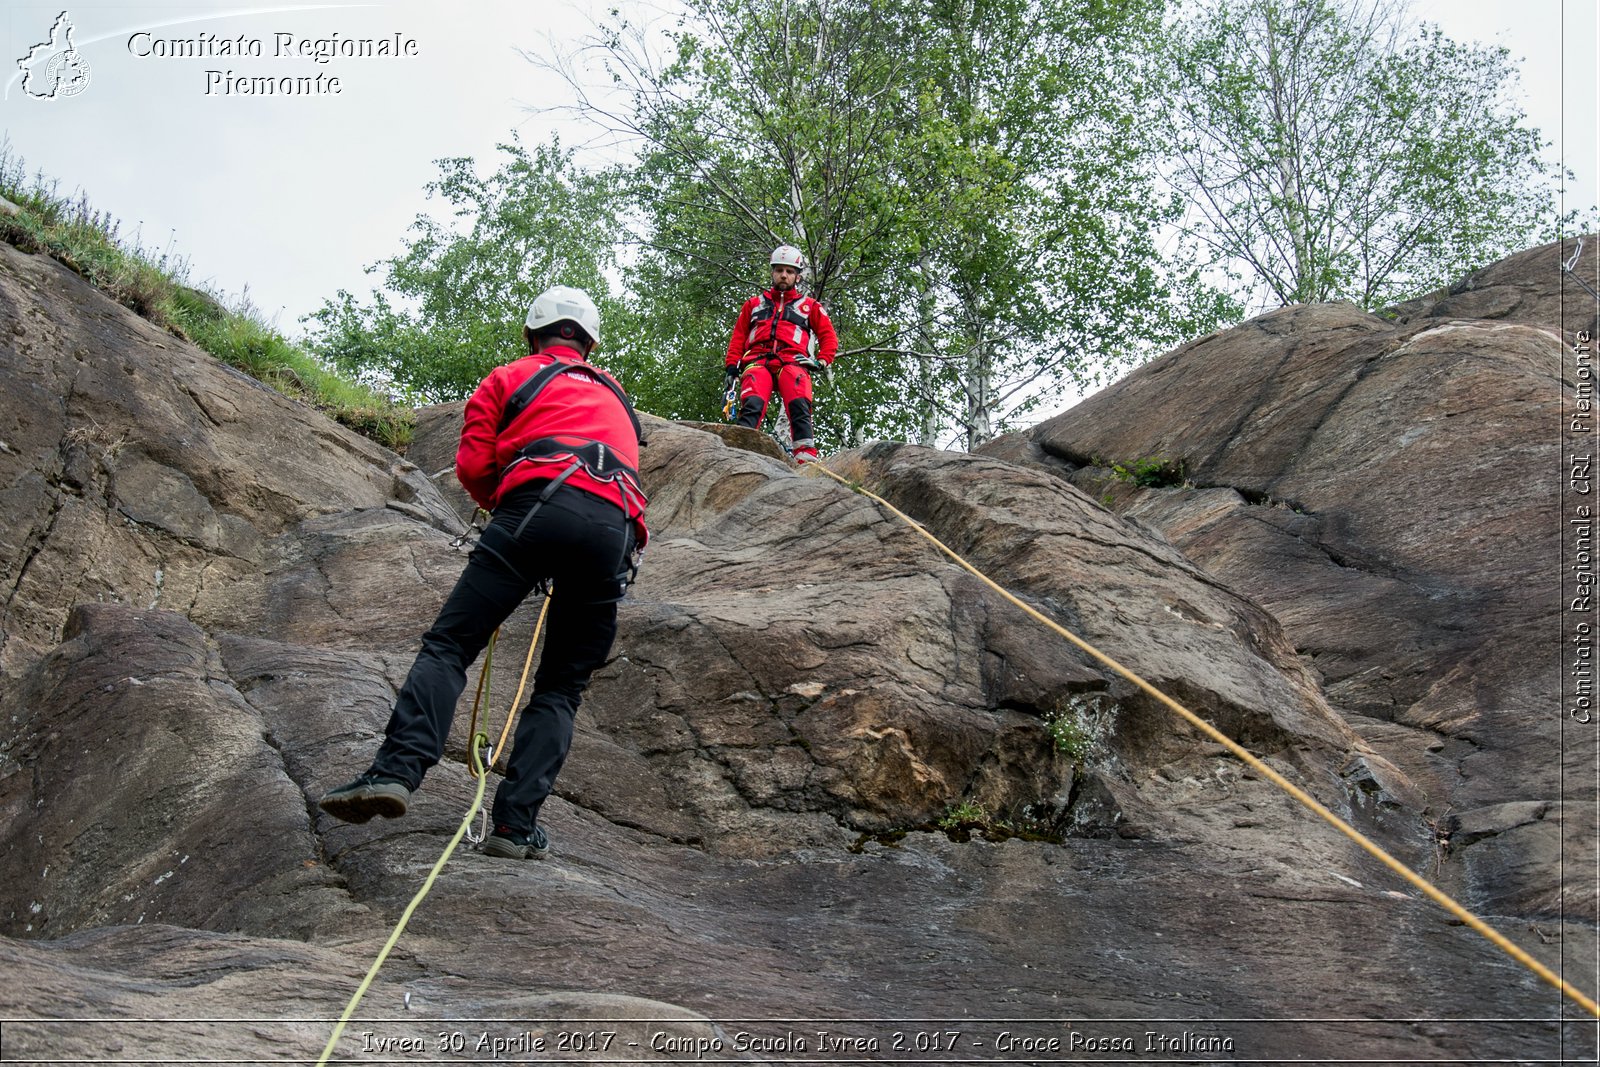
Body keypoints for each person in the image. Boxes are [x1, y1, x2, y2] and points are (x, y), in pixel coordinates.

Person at [319, 285, 648, 860]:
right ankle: (515, 827)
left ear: (533, 334)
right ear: (588, 343)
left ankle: (395, 772)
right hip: (615, 528)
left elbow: (473, 464)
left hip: (538, 507)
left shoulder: (509, 376)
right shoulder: (617, 397)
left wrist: (504, 504)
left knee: (451, 645)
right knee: (561, 688)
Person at [725, 244, 838, 462]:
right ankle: (740, 450)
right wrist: (731, 366)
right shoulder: (754, 305)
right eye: (779, 270)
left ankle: (806, 456)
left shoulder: (809, 306)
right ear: (773, 272)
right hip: (758, 360)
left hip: (792, 361)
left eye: (789, 271)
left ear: (797, 276)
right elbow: (738, 338)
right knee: (752, 403)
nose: (783, 275)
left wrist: (821, 361)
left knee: (799, 404)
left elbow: (829, 337)